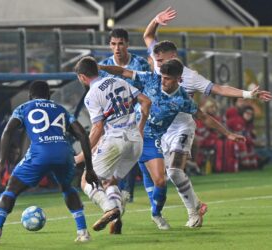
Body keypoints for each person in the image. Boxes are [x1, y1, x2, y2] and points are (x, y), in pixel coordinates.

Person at [142, 7, 272, 228]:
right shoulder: (159, 62)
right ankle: (197, 206)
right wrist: (155, 20)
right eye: (156, 60)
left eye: (161, 60)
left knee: (174, 170)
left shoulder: (190, 77)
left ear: (173, 58)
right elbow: (148, 36)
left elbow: (219, 89)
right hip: (161, 129)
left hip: (183, 127)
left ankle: (193, 212)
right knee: (168, 174)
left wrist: (248, 94)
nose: (157, 64)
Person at [99, 58, 246, 231]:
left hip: (151, 139)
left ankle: (156, 214)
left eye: (168, 78)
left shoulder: (182, 99)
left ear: (179, 79)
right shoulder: (151, 78)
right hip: (128, 132)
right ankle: (113, 214)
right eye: (163, 77)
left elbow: (203, 117)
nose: (163, 81)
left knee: (161, 181)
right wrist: (100, 67)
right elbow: (123, 72)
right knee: (111, 178)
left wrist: (228, 134)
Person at [0, 80, 99, 244]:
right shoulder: (61, 109)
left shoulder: (24, 107)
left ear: (30, 95)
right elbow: (82, 134)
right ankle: (83, 232)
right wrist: (89, 168)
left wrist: (2, 162)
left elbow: (7, 131)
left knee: (11, 189)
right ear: (48, 95)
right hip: (64, 153)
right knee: (68, 188)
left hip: (40, 153)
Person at [74, 56, 151, 234]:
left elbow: (97, 128)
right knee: (110, 181)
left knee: (87, 180)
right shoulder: (118, 81)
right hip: (135, 141)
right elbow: (146, 101)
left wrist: (79, 157)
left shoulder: (91, 95)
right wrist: (140, 127)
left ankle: (109, 209)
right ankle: (115, 218)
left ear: (82, 77)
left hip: (116, 140)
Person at [99, 28, 151, 204]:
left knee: (130, 151)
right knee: (116, 152)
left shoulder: (140, 64)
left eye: (121, 43)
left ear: (127, 44)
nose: (117, 47)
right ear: (109, 45)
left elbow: (147, 91)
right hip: (112, 118)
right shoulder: (103, 66)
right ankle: (113, 188)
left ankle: (127, 191)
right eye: (114, 44)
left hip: (136, 116)